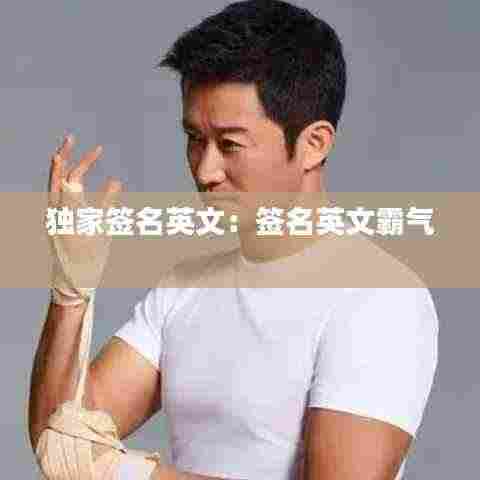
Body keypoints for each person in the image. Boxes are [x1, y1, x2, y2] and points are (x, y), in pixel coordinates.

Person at [28, 1, 439, 479]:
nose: (205, 170)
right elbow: (60, 444)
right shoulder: (184, 287)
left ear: (315, 144)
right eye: (194, 138)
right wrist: (71, 290)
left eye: (230, 145)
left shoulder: (379, 297)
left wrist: (133, 475)